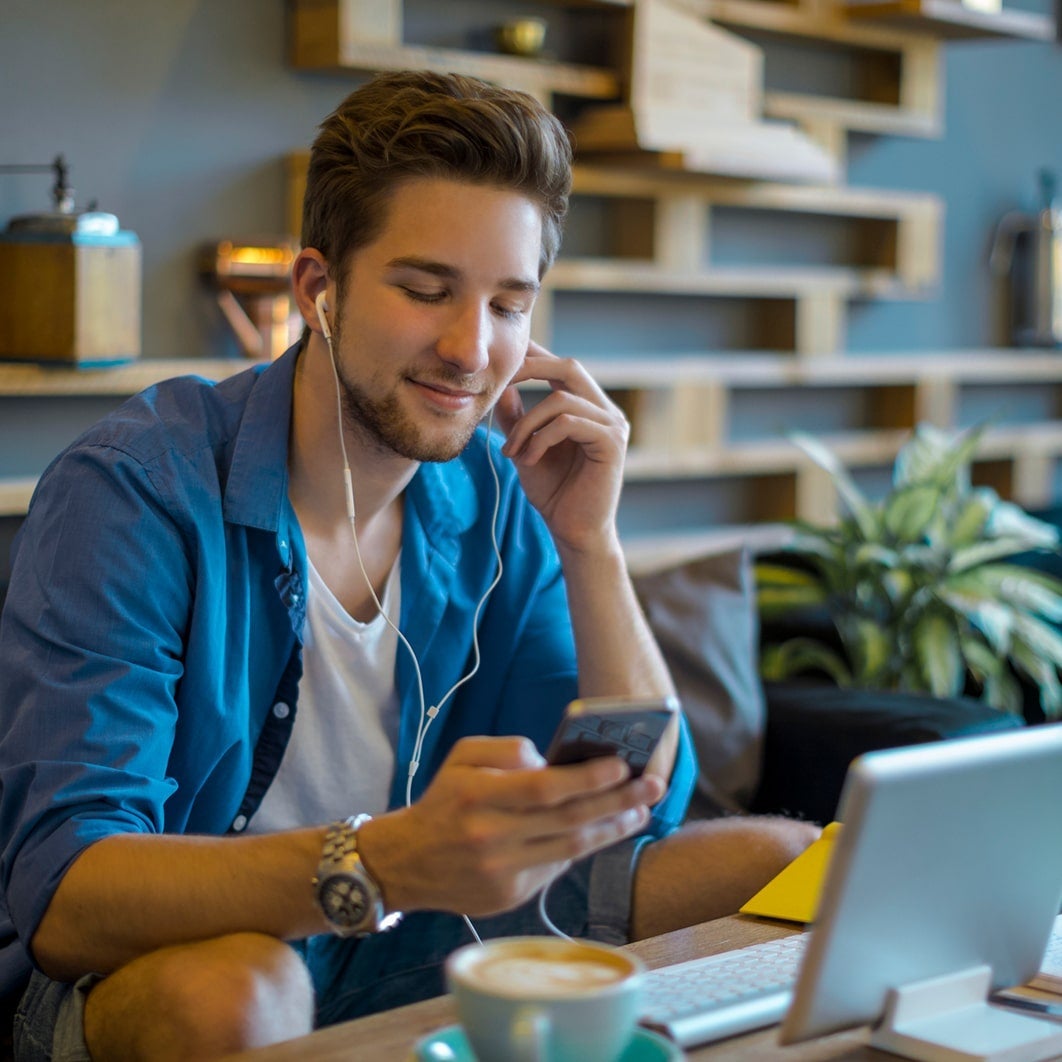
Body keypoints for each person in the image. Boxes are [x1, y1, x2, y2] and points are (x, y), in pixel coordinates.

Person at [0, 70, 816, 1060]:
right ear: (319, 289)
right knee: (241, 992)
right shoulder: (136, 491)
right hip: (184, 954)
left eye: (509, 305)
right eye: (425, 290)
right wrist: (385, 862)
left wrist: (592, 543)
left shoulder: (498, 492)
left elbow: (639, 804)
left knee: (780, 863)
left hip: (416, 930)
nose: (472, 349)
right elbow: (66, 894)